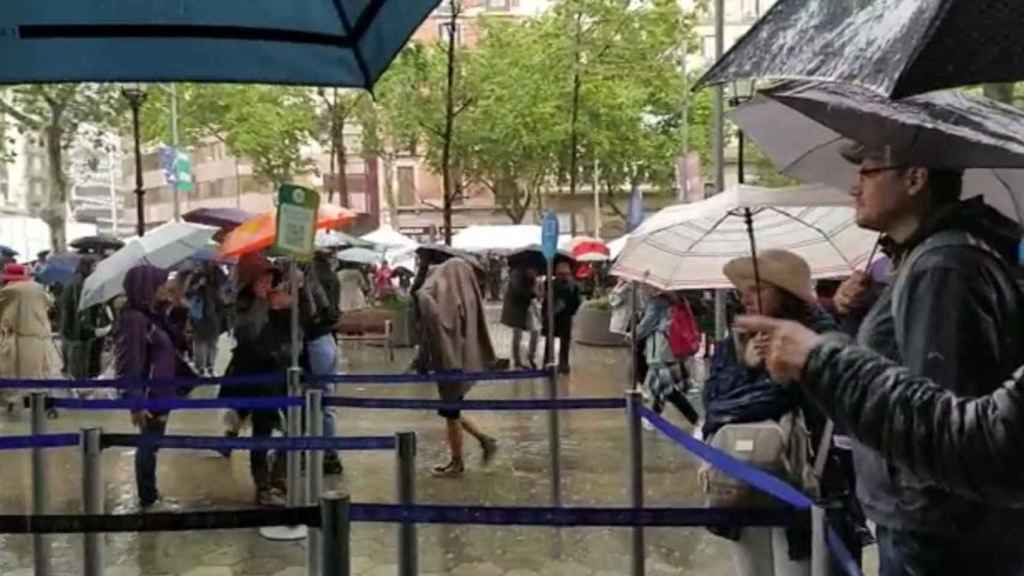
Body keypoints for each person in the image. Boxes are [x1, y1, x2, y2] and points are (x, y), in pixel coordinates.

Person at [834, 143, 1024, 575]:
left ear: (915, 179)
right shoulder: (927, 259)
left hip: (933, 535)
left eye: (867, 173)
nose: (853, 187)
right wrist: (864, 312)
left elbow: (941, 414)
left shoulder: (943, 266)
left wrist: (923, 528)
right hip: (928, 524)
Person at [703, 250, 844, 576]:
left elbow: (781, 397)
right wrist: (746, 366)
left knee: (797, 567)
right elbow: (712, 403)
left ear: (786, 294)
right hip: (740, 480)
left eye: (758, 289)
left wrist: (770, 370)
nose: (747, 298)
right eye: (744, 290)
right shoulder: (736, 339)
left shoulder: (819, 336)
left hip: (803, 479)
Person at [413, 257, 498, 478]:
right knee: (451, 410)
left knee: (451, 410)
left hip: (449, 362)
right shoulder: (464, 292)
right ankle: (483, 441)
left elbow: (432, 318)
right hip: (461, 359)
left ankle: (459, 460)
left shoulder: (437, 294)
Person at [222, 254, 290, 506]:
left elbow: (296, 332)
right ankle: (262, 484)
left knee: (292, 430)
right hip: (256, 380)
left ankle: (279, 476)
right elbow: (249, 337)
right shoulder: (245, 307)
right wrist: (269, 308)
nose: (267, 283)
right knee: (262, 433)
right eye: (262, 278)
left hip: (280, 378)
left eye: (270, 278)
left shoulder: (277, 302)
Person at [116, 265, 183, 509]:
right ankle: (148, 497)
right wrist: (136, 401)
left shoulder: (152, 316)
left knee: (153, 444)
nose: (165, 287)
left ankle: (150, 494)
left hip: (163, 391)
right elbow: (130, 360)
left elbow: (179, 342)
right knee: (148, 444)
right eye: (160, 283)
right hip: (150, 394)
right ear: (147, 287)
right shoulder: (135, 319)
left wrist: (172, 308)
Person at [302, 256, 344, 475]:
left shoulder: (308, 281)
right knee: (327, 403)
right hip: (328, 340)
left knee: (311, 401)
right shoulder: (331, 277)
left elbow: (308, 314)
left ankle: (306, 454)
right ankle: (331, 455)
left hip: (314, 343)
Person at [634, 290, 701, 425]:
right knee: (657, 386)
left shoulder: (657, 303)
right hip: (671, 349)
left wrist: (632, 335)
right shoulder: (677, 299)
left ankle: (696, 420)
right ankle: (653, 418)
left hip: (659, 351)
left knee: (668, 390)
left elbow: (645, 327)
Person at [0, 265, 62, 412]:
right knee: (40, 377)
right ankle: (39, 410)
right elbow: (50, 305)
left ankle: (17, 408)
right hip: (42, 340)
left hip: (20, 341)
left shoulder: (10, 291)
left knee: (16, 378)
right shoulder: (39, 289)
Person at [59, 257, 109, 380]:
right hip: (79, 336)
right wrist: (92, 331)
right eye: (93, 267)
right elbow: (80, 312)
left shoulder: (79, 281)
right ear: (85, 267)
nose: (95, 270)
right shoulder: (79, 284)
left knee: (79, 371)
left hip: (77, 334)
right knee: (80, 373)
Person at [187, 263, 226, 377]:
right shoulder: (197, 275)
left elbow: (223, 290)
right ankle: (200, 368)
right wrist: (199, 284)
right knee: (200, 342)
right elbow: (189, 293)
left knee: (212, 343)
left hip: (214, 314)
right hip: (200, 315)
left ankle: (210, 367)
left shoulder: (218, 273)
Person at [542, 260, 581, 374]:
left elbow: (577, 303)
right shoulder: (550, 284)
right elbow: (545, 301)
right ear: (556, 273)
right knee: (550, 342)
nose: (563, 276)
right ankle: (548, 363)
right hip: (552, 317)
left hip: (565, 318)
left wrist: (568, 309)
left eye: (565, 274)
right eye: (561, 274)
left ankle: (562, 364)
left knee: (564, 343)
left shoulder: (573, 287)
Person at [501, 264, 540, 369]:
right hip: (516, 308)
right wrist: (533, 293)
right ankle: (518, 360)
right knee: (517, 334)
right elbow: (518, 290)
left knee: (535, 331)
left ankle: (531, 356)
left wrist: (534, 282)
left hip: (527, 306)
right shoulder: (516, 273)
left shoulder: (532, 273)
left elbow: (535, 290)